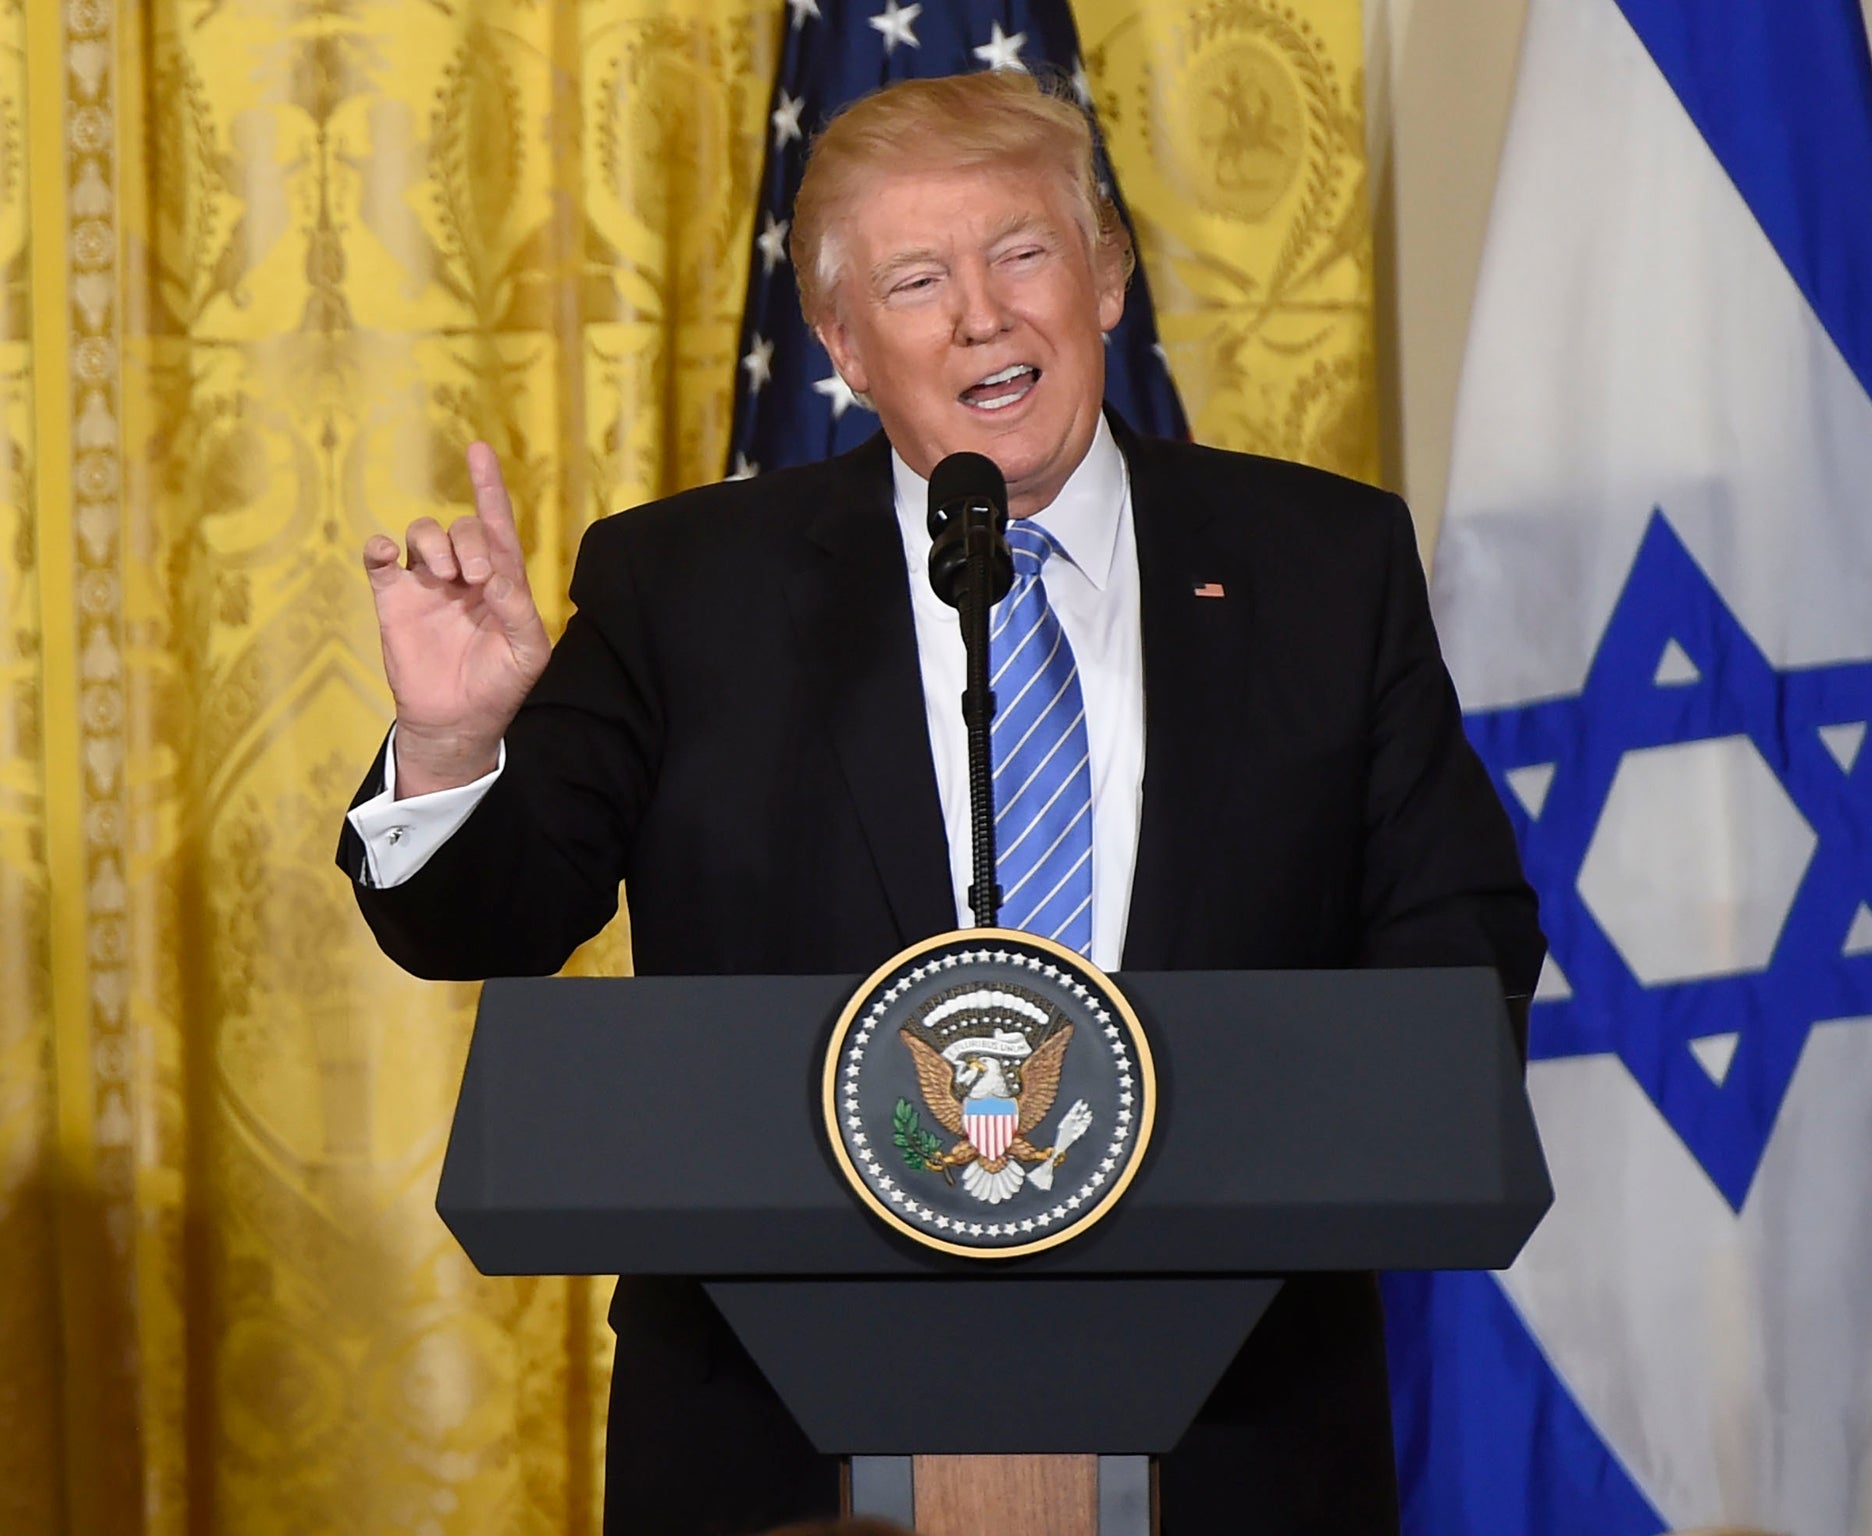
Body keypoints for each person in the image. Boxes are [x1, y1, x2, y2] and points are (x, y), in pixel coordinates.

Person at [338, 70, 1542, 1536]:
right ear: (841, 343)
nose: (982, 314)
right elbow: (490, 915)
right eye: (917, 280)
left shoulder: (1319, 563)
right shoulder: (687, 587)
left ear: (1105, 276)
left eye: (1023, 253)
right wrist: (453, 742)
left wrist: (1309, 1131)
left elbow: (1457, 938)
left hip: (1238, 1423)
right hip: (777, 1440)